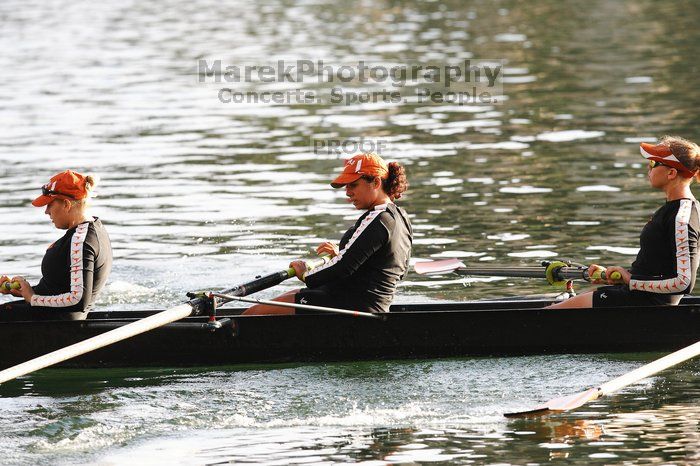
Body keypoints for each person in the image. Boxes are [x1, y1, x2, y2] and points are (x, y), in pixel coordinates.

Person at [243, 153, 412, 315]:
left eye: (353, 185)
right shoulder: (401, 217)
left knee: (256, 312)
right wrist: (341, 254)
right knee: (286, 297)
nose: (347, 192)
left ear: (375, 182)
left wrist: (305, 275)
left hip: (353, 305)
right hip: (367, 303)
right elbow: (395, 268)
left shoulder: (378, 217)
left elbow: (342, 267)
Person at [548, 136, 700, 309]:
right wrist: (619, 277)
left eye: (652, 164)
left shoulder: (682, 217)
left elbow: (684, 282)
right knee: (553, 307)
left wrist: (630, 280)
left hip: (648, 304)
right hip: (638, 297)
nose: (647, 169)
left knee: (547, 314)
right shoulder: (674, 209)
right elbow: (657, 268)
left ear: (671, 173)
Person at [0, 170, 113, 321]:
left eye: (49, 205)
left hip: (58, 323)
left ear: (66, 204)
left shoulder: (81, 240)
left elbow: (78, 299)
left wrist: (33, 298)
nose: (46, 212)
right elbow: (61, 286)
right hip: (51, 315)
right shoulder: (91, 229)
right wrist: (26, 292)